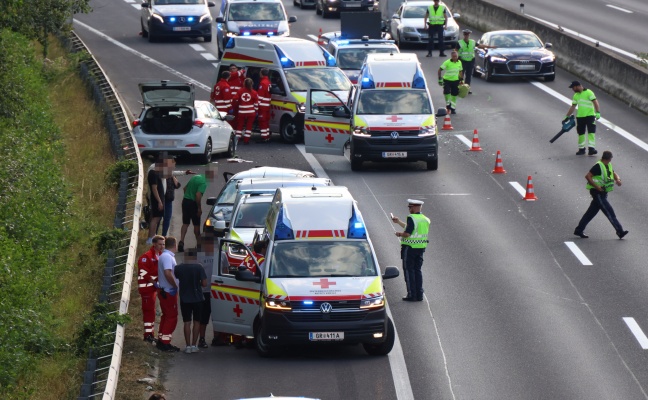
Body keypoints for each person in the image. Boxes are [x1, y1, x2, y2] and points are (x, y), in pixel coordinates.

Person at [574, 150, 628, 239]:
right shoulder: (598, 166)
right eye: (610, 159)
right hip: (597, 193)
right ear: (609, 159)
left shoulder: (607, 165)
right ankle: (620, 231)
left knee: (590, 213)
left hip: (603, 193)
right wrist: (597, 186)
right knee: (609, 212)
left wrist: (618, 179)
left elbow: (613, 173)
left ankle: (579, 230)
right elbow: (588, 176)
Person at [391, 199, 430, 301]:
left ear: (415, 207)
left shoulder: (412, 218)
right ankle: (419, 294)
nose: (409, 209)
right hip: (421, 248)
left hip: (410, 248)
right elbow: (411, 228)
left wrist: (399, 234)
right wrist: (398, 222)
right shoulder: (425, 219)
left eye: (410, 207)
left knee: (409, 271)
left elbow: (408, 233)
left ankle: (412, 294)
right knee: (417, 270)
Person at [174, 248, 207, 354]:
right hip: (197, 298)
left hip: (185, 298)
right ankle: (194, 345)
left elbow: (176, 278)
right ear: (195, 257)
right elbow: (204, 284)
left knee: (187, 322)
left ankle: (187, 346)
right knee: (197, 322)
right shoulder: (199, 267)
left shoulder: (178, 268)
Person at [179, 163, 218, 252]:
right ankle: (199, 244)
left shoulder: (195, 177)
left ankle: (181, 241)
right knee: (196, 225)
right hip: (193, 204)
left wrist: (188, 197)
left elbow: (184, 188)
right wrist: (199, 208)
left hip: (185, 201)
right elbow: (198, 195)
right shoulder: (204, 182)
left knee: (185, 223)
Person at [137, 235, 165, 343]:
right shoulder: (146, 257)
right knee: (149, 312)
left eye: (163, 244)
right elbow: (143, 273)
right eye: (160, 244)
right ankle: (148, 335)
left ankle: (151, 334)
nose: (162, 246)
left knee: (152, 312)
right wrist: (154, 282)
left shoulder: (160, 255)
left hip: (153, 289)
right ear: (154, 244)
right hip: (147, 289)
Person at [564, 80, 601, 156]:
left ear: (577, 86)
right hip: (580, 117)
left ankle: (591, 149)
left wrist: (597, 112)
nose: (572, 89)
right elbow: (573, 107)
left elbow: (595, 102)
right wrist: (567, 116)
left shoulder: (589, 92)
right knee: (581, 133)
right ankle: (581, 149)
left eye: (573, 88)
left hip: (590, 115)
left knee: (591, 132)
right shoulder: (576, 95)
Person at [156, 236, 180, 352]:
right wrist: (175, 285)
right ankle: (165, 342)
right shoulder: (167, 257)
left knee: (166, 316)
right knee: (171, 317)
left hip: (165, 291)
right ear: (174, 246)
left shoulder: (165, 256)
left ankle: (161, 340)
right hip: (169, 291)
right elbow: (167, 273)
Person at [146, 157, 166, 244]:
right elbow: (154, 188)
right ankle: (151, 238)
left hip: (159, 199)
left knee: (155, 218)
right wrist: (159, 202)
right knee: (155, 218)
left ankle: (152, 236)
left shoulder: (156, 173)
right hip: (156, 200)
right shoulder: (152, 173)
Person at [233, 78, 259, 144]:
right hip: (251, 112)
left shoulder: (240, 91)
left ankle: (237, 139)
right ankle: (246, 140)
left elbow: (235, 99)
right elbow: (256, 104)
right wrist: (256, 111)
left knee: (240, 125)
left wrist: (238, 104)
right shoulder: (254, 92)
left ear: (244, 83)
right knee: (249, 126)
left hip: (242, 112)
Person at [257, 68, 272, 142]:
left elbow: (260, 96)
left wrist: (256, 106)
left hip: (262, 106)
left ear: (262, 74)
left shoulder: (263, 83)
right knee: (266, 121)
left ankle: (264, 137)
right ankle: (267, 136)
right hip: (267, 105)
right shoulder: (268, 82)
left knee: (262, 122)